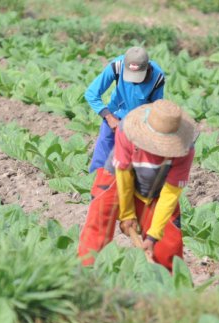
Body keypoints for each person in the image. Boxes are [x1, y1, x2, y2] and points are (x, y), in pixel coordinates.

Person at [78, 100, 196, 270]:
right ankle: (84, 275)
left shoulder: (185, 150)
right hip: (116, 178)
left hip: (155, 188)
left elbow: (170, 194)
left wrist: (152, 237)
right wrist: (127, 214)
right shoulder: (127, 131)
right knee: (99, 223)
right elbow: (123, 175)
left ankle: (168, 288)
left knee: (168, 244)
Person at [78, 46, 166, 263]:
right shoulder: (117, 66)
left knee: (131, 172)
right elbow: (91, 93)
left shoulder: (157, 78)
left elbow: (156, 108)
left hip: (137, 128)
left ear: (147, 69)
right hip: (113, 121)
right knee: (103, 168)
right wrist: (109, 118)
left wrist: (138, 129)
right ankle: (99, 208)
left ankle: (129, 214)